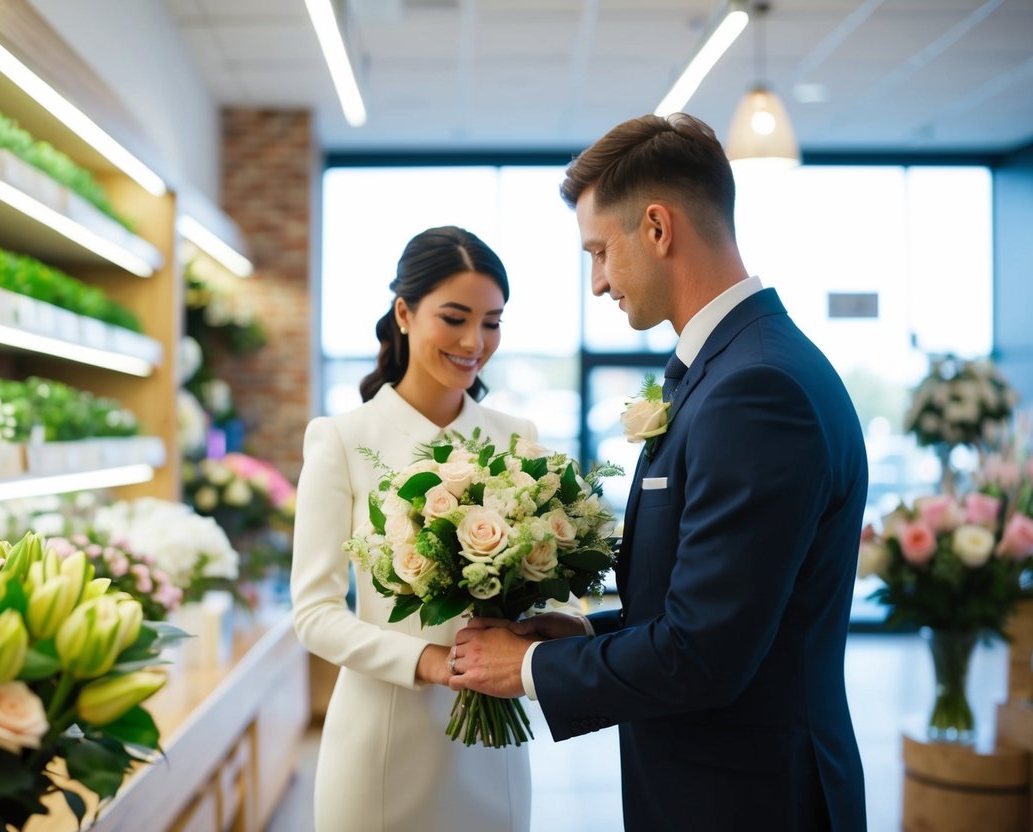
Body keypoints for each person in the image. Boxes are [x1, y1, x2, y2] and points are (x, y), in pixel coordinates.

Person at [447, 113, 869, 831]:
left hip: (750, 798)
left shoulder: (754, 389)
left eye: (599, 252)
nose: (597, 282)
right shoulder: (734, 366)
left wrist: (520, 671)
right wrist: (586, 638)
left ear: (656, 228)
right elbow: (720, 611)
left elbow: (703, 654)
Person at [291, 226, 536, 832]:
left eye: (492, 322)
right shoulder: (343, 440)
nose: (474, 341)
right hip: (382, 742)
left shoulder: (518, 439)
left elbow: (547, 586)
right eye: (454, 318)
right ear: (404, 312)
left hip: (494, 751)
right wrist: (426, 661)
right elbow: (315, 614)